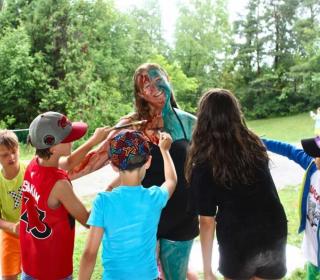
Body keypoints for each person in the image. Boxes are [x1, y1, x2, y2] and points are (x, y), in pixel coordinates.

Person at [70, 63, 199, 280]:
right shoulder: (131, 125)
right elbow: (94, 160)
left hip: (181, 217)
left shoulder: (188, 122)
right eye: (146, 85)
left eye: (158, 80)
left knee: (176, 275)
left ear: (168, 79)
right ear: (139, 93)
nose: (154, 87)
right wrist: (57, 174)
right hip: (145, 215)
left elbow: (214, 158)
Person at [185, 88, 288, 280]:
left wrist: (207, 271)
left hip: (238, 238)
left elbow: (206, 222)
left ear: (204, 119)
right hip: (273, 229)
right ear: (235, 114)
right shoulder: (253, 143)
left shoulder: (204, 161)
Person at [19, 111, 111, 280]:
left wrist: (94, 141)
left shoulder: (34, 164)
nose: (73, 139)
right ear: (53, 147)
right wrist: (112, 189)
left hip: (32, 264)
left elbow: (68, 163)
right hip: (53, 270)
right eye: (68, 137)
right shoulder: (59, 184)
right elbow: (88, 220)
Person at [79, 130, 177, 279]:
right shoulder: (153, 198)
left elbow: (89, 254)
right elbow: (171, 181)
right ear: (148, 161)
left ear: (113, 165)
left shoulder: (103, 202)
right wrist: (165, 151)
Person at [263, 136, 320, 280]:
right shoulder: (312, 166)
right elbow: (290, 150)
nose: (314, 157)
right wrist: (261, 141)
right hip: (312, 250)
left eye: (318, 154)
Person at [0, 130, 25, 280]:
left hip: (34, 231)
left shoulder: (30, 169)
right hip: (10, 234)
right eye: (4, 154)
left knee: (36, 273)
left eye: (14, 151)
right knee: (8, 275)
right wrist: (12, 227)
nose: (11, 157)